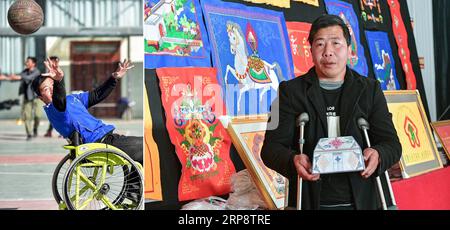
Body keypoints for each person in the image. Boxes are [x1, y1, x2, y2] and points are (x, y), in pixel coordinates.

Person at [260, 14, 402, 210]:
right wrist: (293, 160)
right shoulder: (289, 92)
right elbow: (270, 149)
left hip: (363, 199)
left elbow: (392, 144)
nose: (328, 52)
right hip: (310, 199)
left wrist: (378, 154)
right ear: (310, 50)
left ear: (349, 50)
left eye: (336, 43)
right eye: (320, 44)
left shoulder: (370, 90)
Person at [31, 58, 142, 165]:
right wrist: (58, 80)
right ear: (41, 97)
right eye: (46, 89)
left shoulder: (71, 99)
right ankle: (133, 185)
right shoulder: (54, 109)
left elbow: (96, 95)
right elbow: (59, 102)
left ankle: (133, 184)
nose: (51, 89)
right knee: (145, 147)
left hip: (106, 137)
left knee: (137, 157)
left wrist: (114, 78)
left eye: (52, 85)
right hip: (98, 143)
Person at [8, 57, 42, 140]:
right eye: (26, 61)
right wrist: (10, 77)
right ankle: (29, 134)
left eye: (28, 62)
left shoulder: (37, 72)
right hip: (27, 97)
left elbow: (29, 78)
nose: (26, 63)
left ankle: (35, 128)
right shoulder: (24, 72)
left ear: (33, 63)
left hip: (37, 97)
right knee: (27, 116)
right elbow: (17, 78)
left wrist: (19, 77)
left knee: (38, 115)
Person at [43, 56, 64, 138]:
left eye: (51, 62)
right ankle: (50, 131)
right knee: (54, 114)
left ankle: (61, 132)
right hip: (52, 97)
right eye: (49, 62)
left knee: (59, 115)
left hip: (58, 97)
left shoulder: (59, 72)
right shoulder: (49, 73)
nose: (49, 64)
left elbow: (60, 85)